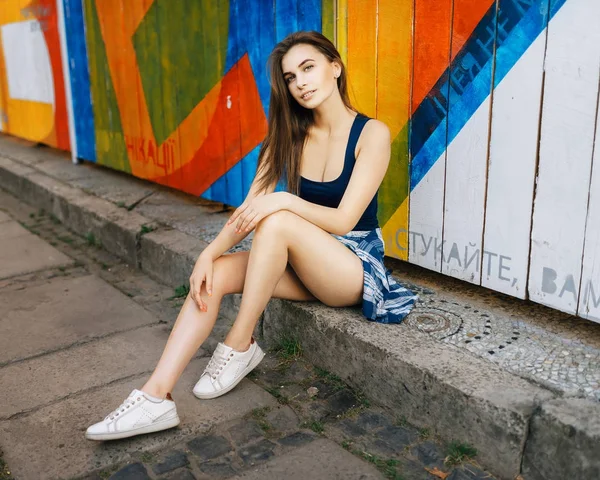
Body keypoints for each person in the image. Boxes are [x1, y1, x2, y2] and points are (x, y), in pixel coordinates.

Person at [85, 31, 417, 441]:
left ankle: (239, 343)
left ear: (335, 67)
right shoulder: (286, 138)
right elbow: (248, 212)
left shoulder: (372, 134)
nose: (301, 83)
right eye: (291, 78)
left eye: (309, 68)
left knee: (276, 219)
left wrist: (283, 201)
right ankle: (155, 397)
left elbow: (345, 219)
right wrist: (208, 254)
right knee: (218, 273)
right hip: (305, 258)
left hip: (353, 267)